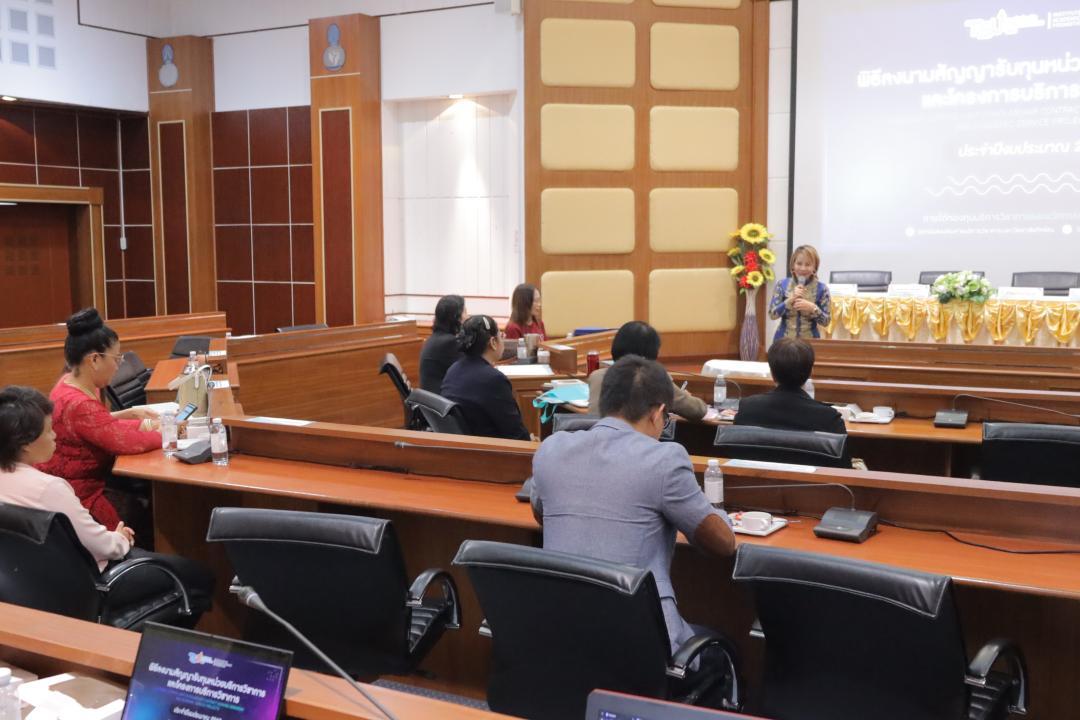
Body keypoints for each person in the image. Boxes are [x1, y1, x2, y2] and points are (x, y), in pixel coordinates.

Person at [532, 355, 735, 656]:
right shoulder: (664, 459)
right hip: (638, 639)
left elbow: (541, 513)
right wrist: (716, 510)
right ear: (658, 413)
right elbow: (723, 543)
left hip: (561, 631)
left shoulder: (551, 448)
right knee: (728, 648)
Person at [0, 386, 214, 622]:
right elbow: (101, 546)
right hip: (88, 588)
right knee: (199, 576)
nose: (55, 436)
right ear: (26, 444)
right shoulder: (48, 488)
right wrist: (120, 538)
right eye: (49, 430)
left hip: (26, 586)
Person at [36, 308, 162, 533]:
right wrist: (167, 432)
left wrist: (138, 420)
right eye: (116, 358)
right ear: (94, 359)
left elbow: (98, 425)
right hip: (80, 494)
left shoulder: (69, 381)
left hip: (77, 482)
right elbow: (123, 441)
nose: (118, 365)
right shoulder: (80, 404)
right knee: (145, 519)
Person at [586, 321, 708, 421]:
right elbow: (698, 410)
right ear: (651, 353)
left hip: (595, 440)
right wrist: (684, 396)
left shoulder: (596, 376)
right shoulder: (652, 378)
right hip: (634, 442)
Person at [441, 315, 531, 440]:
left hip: (462, 446)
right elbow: (517, 434)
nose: (503, 340)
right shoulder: (494, 380)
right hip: (490, 448)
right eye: (501, 336)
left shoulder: (453, 369)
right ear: (493, 342)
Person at [734, 337, 845, 435]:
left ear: (772, 373)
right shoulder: (829, 418)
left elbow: (735, 448)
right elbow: (841, 452)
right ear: (810, 372)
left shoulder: (748, 408)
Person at [768, 244, 831, 341]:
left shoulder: (822, 289)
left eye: (808, 264)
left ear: (814, 268)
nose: (803, 268)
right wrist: (790, 299)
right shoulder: (782, 284)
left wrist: (813, 308)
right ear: (793, 265)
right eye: (799, 263)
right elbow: (772, 315)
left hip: (810, 343)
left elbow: (826, 322)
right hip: (783, 342)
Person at [419, 295, 466, 394]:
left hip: (432, 398)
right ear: (457, 317)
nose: (468, 317)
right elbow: (470, 370)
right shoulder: (449, 343)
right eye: (465, 312)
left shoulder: (435, 338)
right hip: (442, 400)